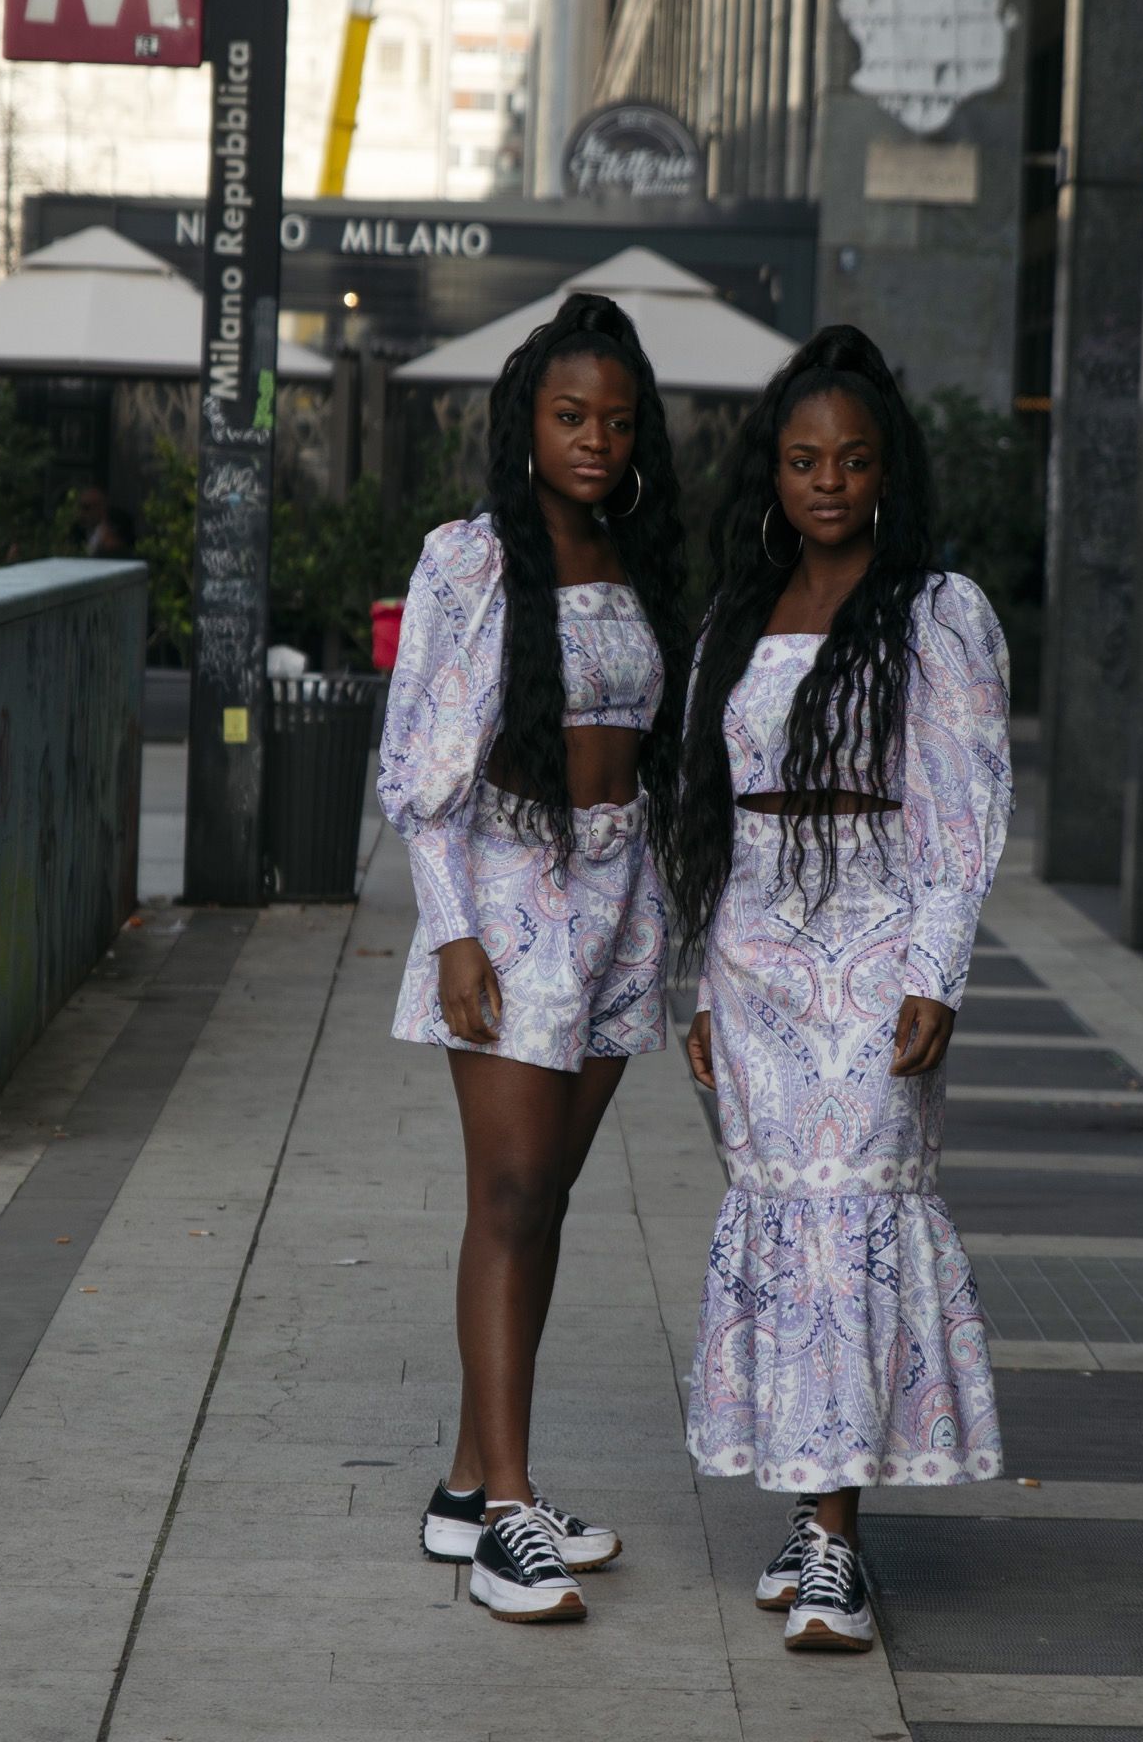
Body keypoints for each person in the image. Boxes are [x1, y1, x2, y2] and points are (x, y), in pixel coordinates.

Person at [673, 324, 1013, 1654]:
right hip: (754, 953)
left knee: (851, 1217)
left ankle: (836, 1546)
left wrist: (938, 971)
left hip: (877, 948)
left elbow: (965, 812)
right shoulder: (735, 618)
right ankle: (811, 1513)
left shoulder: (937, 612)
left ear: (887, 472)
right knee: (783, 1224)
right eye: (805, 459)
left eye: (854, 460)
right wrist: (702, 987)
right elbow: (706, 817)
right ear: (773, 471)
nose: (829, 481)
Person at [378, 292, 688, 1625]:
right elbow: (418, 770)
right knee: (508, 1195)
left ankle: (470, 1487)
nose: (595, 441)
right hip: (507, 893)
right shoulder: (469, 560)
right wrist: (453, 930)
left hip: (622, 897)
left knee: (545, 1199)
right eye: (571, 417)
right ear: (527, 423)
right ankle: (508, 1515)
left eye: (616, 422)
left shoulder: (638, 555)